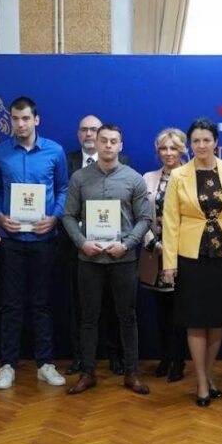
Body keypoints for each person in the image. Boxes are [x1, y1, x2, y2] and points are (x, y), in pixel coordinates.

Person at [161, 118, 222, 407]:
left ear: (216, 142)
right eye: (196, 141)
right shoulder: (179, 176)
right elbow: (171, 222)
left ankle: (210, 374)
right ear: (190, 144)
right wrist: (169, 263)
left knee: (218, 321)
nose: (201, 145)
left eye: (206, 140)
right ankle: (200, 381)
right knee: (196, 322)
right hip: (191, 257)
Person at [62, 124, 153, 395]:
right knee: (88, 318)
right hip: (89, 259)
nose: (109, 146)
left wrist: (126, 245)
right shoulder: (79, 178)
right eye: (104, 141)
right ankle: (87, 372)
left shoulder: (134, 179)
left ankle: (131, 372)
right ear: (96, 143)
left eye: (114, 141)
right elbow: (67, 215)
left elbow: (145, 219)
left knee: (128, 317)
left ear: (120, 145)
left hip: (122, 259)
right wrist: (82, 242)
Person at [0, 96, 69, 389]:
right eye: (15, 118)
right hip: (11, 239)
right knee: (11, 304)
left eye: (25, 118)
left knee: (42, 304)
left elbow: (63, 188)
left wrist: (55, 217)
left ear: (36, 120)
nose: (20, 124)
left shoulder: (54, 151)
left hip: (44, 238)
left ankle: (45, 364)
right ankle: (7, 365)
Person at [63, 114, 127, 376]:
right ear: (79, 134)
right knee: (81, 306)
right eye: (85, 130)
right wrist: (81, 238)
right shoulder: (68, 163)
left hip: (115, 250)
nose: (89, 135)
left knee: (114, 305)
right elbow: (65, 204)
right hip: (79, 247)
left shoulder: (125, 166)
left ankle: (116, 356)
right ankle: (81, 358)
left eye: (94, 130)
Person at [142, 128, 188, 382]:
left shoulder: (192, 176)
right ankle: (165, 357)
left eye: (173, 148)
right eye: (163, 148)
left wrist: (176, 248)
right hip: (156, 254)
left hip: (183, 255)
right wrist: (152, 243)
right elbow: (139, 216)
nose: (168, 153)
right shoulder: (148, 178)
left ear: (182, 150)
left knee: (180, 311)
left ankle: (179, 360)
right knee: (161, 311)